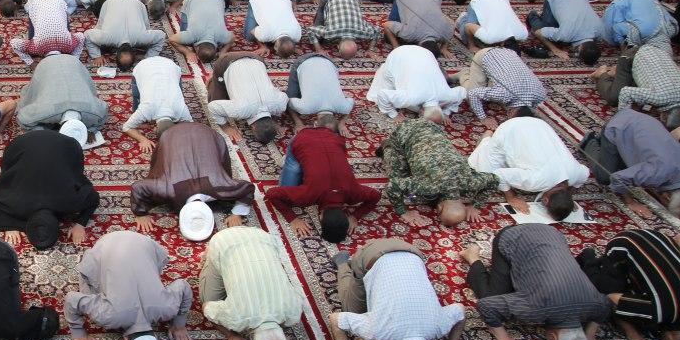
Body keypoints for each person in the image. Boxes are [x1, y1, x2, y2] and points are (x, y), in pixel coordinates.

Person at [461, 223, 611, 340]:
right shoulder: (536, 309)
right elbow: (486, 306)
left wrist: (590, 337)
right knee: (492, 296)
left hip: (552, 232)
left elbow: (606, 304)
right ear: (553, 337)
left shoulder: (595, 305)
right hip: (512, 236)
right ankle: (472, 257)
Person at [328, 237, 467, 340]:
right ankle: (342, 263)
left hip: (411, 250)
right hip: (371, 253)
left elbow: (461, 311)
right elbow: (335, 319)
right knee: (352, 309)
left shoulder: (438, 327)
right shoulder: (379, 331)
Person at [64, 230, 193, 340]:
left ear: (154, 335)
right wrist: (79, 335)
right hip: (104, 245)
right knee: (89, 293)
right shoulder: (108, 316)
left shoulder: (167, 309)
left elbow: (183, 285)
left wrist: (179, 325)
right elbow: (71, 299)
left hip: (144, 242)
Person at [265, 114, 380, 242]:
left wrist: (355, 216)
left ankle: (304, 161)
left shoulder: (353, 192)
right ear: (320, 217)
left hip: (334, 139)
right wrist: (293, 219)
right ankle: (289, 159)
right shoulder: (308, 195)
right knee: (289, 190)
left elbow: (376, 195)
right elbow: (272, 194)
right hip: (302, 138)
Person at [0, 129, 99, 250]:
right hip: (26, 143)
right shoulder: (16, 203)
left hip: (54, 143)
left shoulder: (69, 202)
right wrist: (9, 225)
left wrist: (80, 224)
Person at [131, 121, 256, 237]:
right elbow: (138, 188)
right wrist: (140, 214)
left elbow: (248, 188)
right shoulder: (168, 189)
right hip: (172, 135)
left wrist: (237, 213)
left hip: (206, 134)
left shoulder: (221, 186)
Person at [200, 226, 303, 340]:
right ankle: (210, 254)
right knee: (206, 299)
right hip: (224, 241)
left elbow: (294, 298)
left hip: (263, 237)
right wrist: (231, 336)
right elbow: (207, 308)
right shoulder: (237, 318)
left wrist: (278, 338)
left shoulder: (294, 312)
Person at [578, 230, 680, 340]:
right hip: (624, 243)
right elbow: (611, 299)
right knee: (604, 288)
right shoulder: (658, 311)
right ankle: (589, 259)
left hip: (660, 238)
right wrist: (634, 335)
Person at [467, 115, 588, 219]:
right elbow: (499, 174)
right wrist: (511, 197)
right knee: (484, 174)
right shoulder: (535, 181)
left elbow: (585, 173)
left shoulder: (577, 174)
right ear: (545, 201)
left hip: (539, 125)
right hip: (511, 130)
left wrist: (567, 199)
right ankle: (486, 140)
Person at [382, 118, 498, 227]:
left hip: (433, 127)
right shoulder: (430, 187)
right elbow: (392, 186)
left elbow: (494, 179)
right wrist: (403, 212)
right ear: (439, 208)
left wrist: (475, 206)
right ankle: (388, 146)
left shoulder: (470, 182)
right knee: (396, 177)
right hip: (405, 131)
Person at [204, 51, 290, 144]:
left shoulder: (280, 105)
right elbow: (212, 107)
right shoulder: (240, 110)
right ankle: (214, 79)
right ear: (253, 127)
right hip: (226, 61)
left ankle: (223, 79)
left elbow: (284, 96)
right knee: (215, 98)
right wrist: (226, 127)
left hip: (256, 58)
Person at [367, 42, 466, 120]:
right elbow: (382, 94)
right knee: (391, 82)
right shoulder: (410, 98)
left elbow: (462, 92)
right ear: (422, 111)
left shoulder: (448, 95)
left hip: (426, 53)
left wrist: (446, 113)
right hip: (399, 54)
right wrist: (394, 114)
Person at [84, 0, 167, 68]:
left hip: (131, 3)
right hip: (122, 3)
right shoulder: (106, 38)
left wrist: (96, 56)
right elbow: (87, 35)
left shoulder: (142, 37)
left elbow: (161, 36)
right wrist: (96, 56)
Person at [305, 0, 382, 58]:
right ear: (338, 47)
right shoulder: (329, 33)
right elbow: (311, 30)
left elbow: (377, 30)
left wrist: (370, 49)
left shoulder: (364, 33)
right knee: (321, 38)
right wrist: (319, 49)